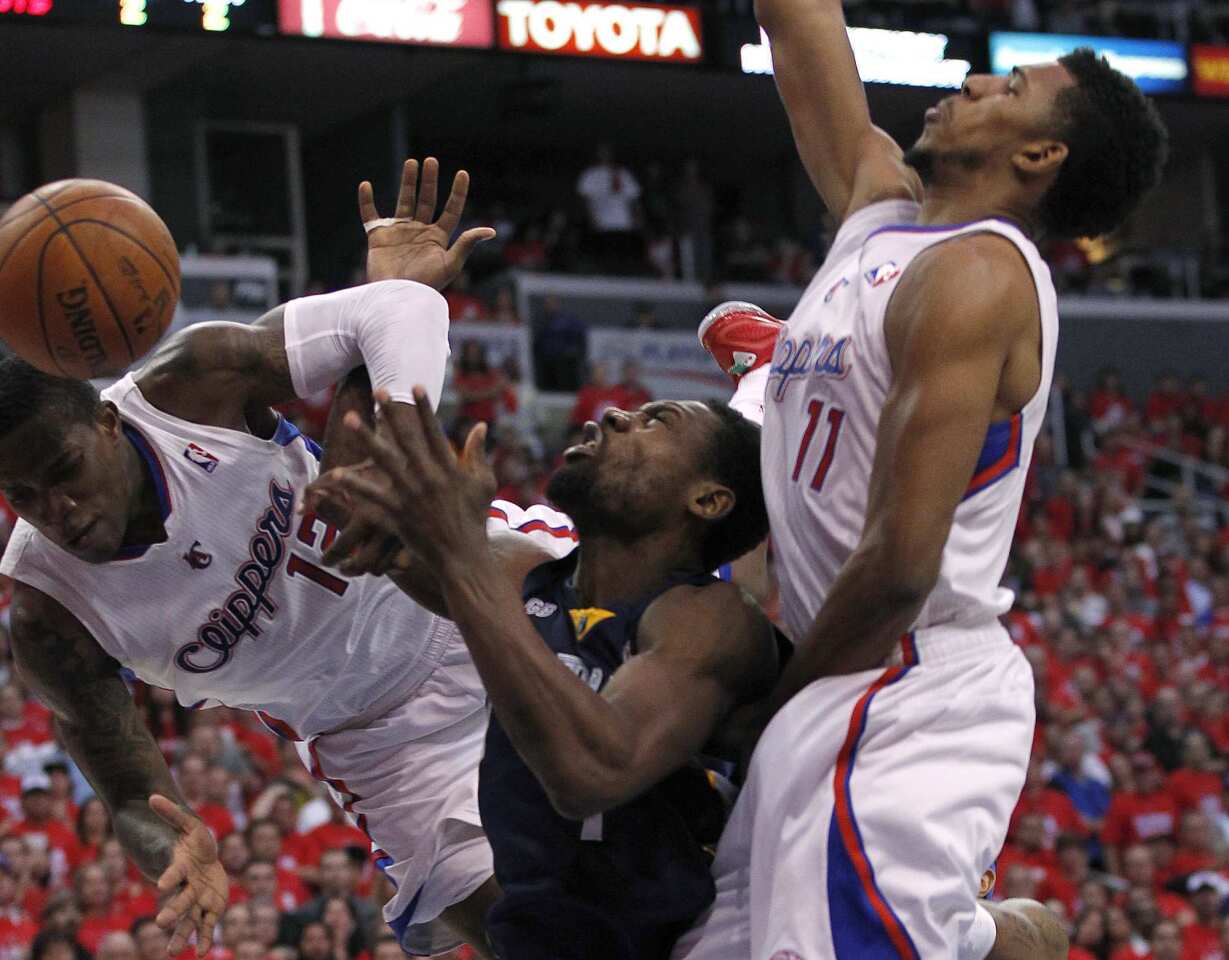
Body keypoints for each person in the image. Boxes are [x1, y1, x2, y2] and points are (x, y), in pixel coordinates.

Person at [677, 0, 1168, 951]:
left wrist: (767, 712)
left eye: (1012, 87)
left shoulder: (977, 275)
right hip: (847, 666)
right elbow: (795, 25)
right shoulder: (879, 216)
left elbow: (900, 568)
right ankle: (997, 938)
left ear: (1038, 157)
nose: (975, 81)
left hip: (894, 677)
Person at [0, 158, 503, 957]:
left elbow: (401, 309)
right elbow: (132, 793)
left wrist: (385, 449)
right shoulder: (47, 613)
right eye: (21, 496)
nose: (53, 510)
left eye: (60, 473)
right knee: (530, 931)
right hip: (381, 740)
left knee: (700, 673)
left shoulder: (188, 385)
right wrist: (177, 848)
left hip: (466, 583)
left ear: (102, 421)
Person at [303, 392, 778, 959]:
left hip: (722, 933)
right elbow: (370, 526)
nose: (613, 415)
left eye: (657, 421)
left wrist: (461, 562)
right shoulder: (524, 573)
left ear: (705, 499)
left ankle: (763, 387)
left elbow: (594, 770)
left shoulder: (710, 618)